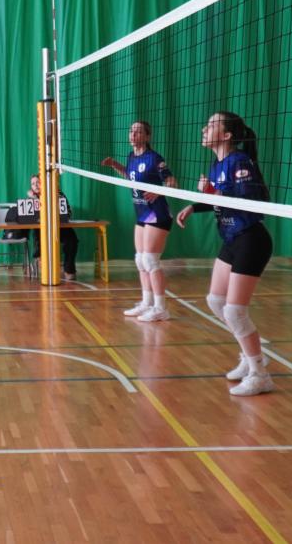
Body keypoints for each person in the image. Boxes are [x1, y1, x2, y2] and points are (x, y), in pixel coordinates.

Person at [175, 111, 274, 397]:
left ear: (227, 135)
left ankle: (259, 373)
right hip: (232, 238)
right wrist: (195, 205)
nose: (204, 129)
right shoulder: (217, 164)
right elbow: (219, 197)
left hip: (251, 238)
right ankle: (249, 354)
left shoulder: (240, 162)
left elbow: (255, 200)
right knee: (216, 300)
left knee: (234, 310)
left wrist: (211, 192)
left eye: (211, 126)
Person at [102, 120, 177, 321]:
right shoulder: (131, 156)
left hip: (158, 214)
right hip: (142, 214)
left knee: (150, 261)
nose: (133, 135)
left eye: (138, 132)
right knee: (140, 261)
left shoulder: (154, 158)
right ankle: (146, 303)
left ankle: (160, 308)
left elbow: (172, 182)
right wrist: (115, 165)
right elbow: (130, 176)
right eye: (131, 131)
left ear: (147, 136)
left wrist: (158, 191)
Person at [25, 173, 80, 281]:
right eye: (33, 184)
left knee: (72, 239)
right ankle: (38, 259)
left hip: (59, 227)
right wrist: (35, 198)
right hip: (42, 230)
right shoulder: (31, 199)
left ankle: (69, 269)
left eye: (38, 182)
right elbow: (31, 218)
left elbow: (68, 213)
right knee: (37, 231)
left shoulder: (58, 193)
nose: (35, 185)